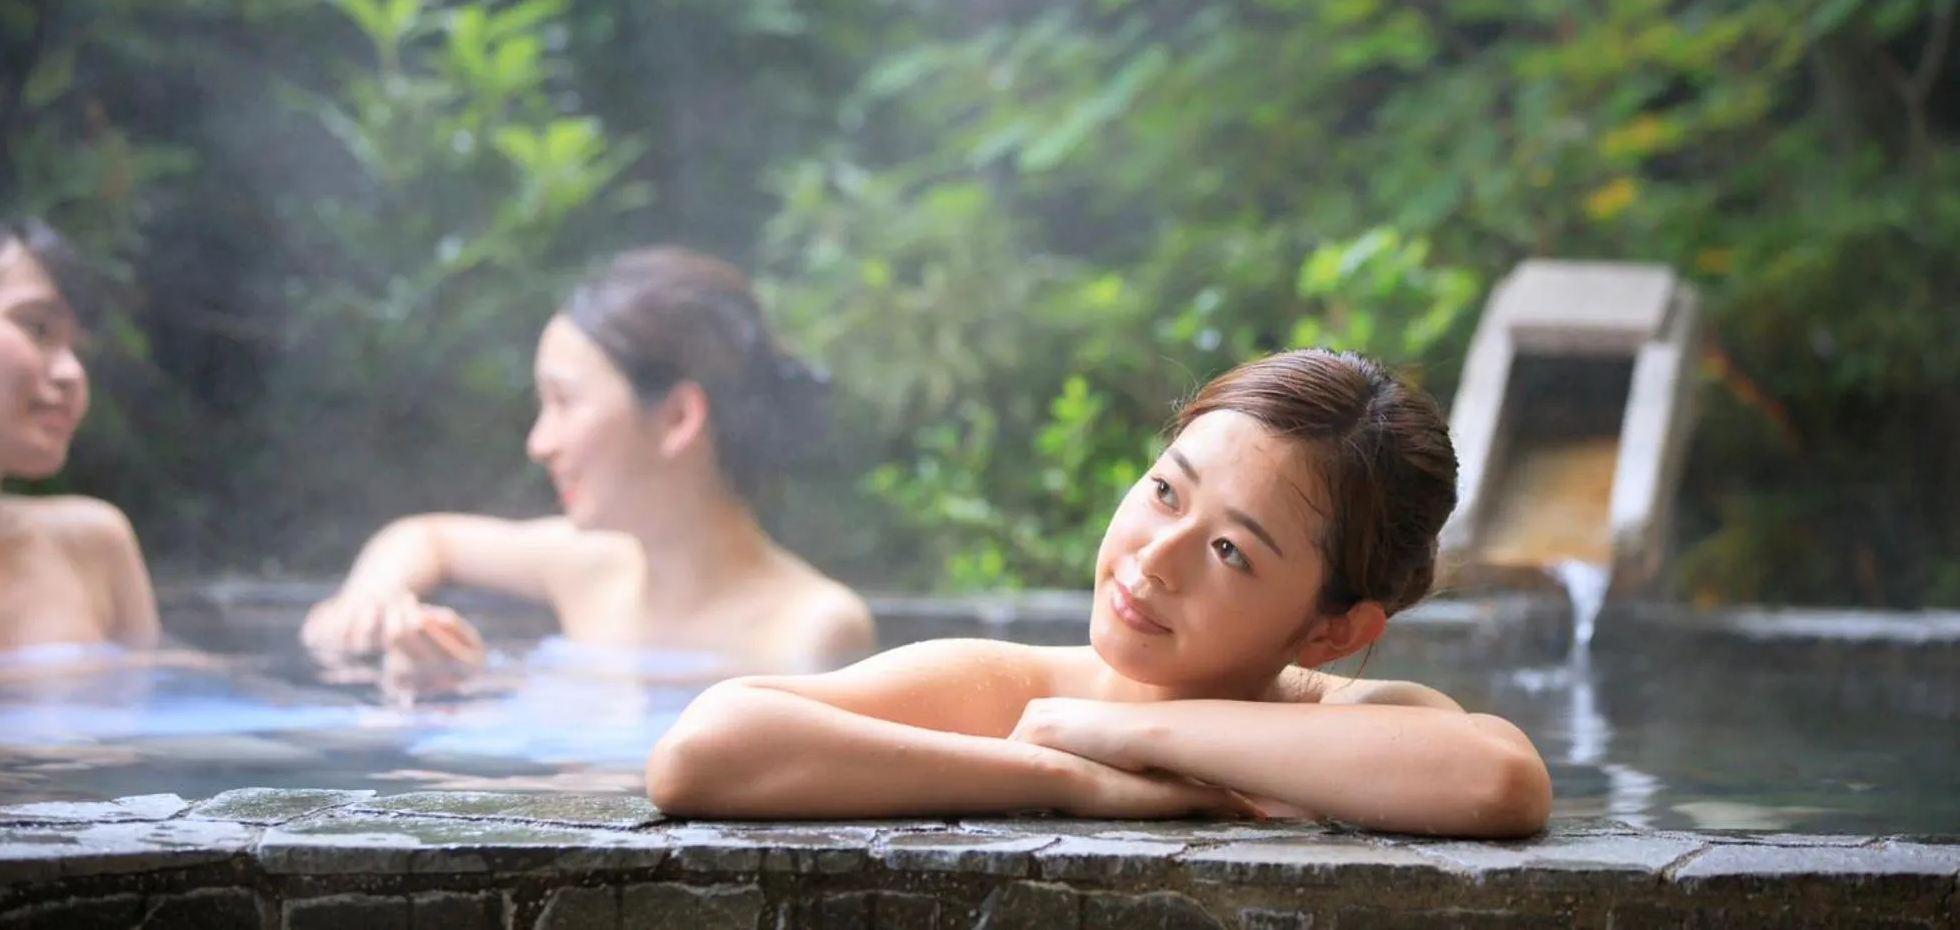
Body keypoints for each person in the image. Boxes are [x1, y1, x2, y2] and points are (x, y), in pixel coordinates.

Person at [644, 348, 1554, 838]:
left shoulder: (1357, 717)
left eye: (1231, 550)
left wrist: (1127, 730)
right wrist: (1066, 778)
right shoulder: (1004, 688)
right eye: (1164, 490)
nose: (1152, 558)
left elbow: (1500, 780)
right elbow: (701, 750)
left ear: (1329, 630)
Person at [299, 246, 876, 689]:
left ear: (676, 418)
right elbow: (426, 536)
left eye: (564, 403)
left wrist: (486, 694)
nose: (539, 443)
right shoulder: (590, 567)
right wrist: (373, 598)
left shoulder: (811, 631)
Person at [0, 212, 160, 657]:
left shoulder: (91, 548)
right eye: (36, 328)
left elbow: (156, 712)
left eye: (78, 347)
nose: (72, 373)